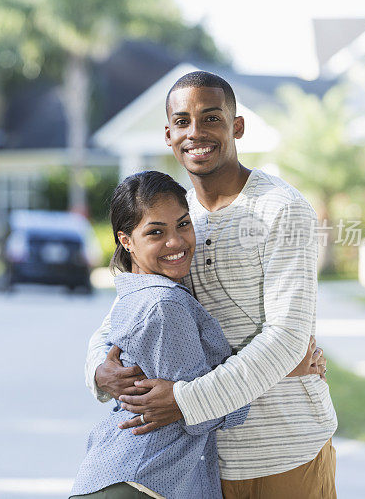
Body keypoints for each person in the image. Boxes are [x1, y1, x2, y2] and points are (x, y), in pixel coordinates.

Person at [85, 71, 338, 498]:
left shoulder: (282, 209)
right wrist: (97, 370)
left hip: (286, 448)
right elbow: (127, 312)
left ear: (236, 126)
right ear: (168, 134)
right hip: (205, 463)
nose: (196, 132)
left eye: (211, 118)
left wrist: (184, 400)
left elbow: (286, 338)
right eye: (182, 121)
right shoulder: (175, 217)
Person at [70, 170, 250, 499]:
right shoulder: (164, 306)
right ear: (126, 241)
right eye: (156, 232)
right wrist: (280, 371)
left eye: (183, 224)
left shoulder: (139, 293)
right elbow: (200, 410)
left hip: (122, 478)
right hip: (140, 485)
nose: (176, 242)